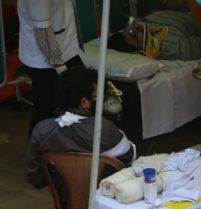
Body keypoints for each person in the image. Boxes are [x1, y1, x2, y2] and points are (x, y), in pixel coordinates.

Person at [25, 66, 136, 188]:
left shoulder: (41, 130)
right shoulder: (104, 128)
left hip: (66, 198)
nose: (102, 99)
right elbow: (129, 158)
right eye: (98, 96)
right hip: (104, 196)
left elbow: (33, 176)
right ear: (84, 102)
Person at [19, 0, 83, 137]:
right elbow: (42, 30)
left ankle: (68, 145)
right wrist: (61, 69)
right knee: (45, 110)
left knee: (74, 99)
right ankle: (36, 153)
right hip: (45, 60)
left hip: (64, 49)